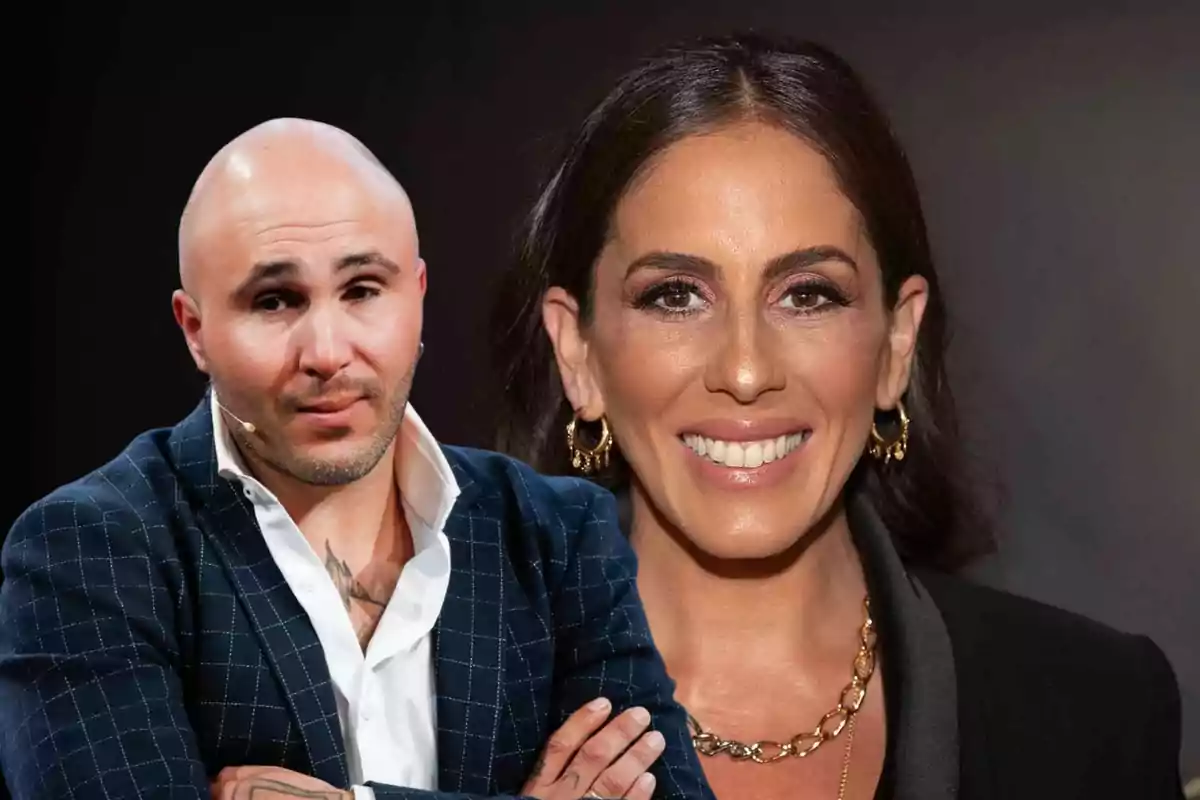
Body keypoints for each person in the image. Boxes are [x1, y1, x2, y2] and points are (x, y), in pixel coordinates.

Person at [490, 33, 1185, 800]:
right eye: (676, 295)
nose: (746, 371)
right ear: (578, 353)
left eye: (808, 294)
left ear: (895, 343)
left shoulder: (1094, 715)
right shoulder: (419, 722)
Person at [0, 119, 716, 800]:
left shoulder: (560, 536)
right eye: (275, 301)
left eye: (363, 290)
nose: (328, 353)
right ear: (195, 330)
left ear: (418, 296)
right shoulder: (89, 551)